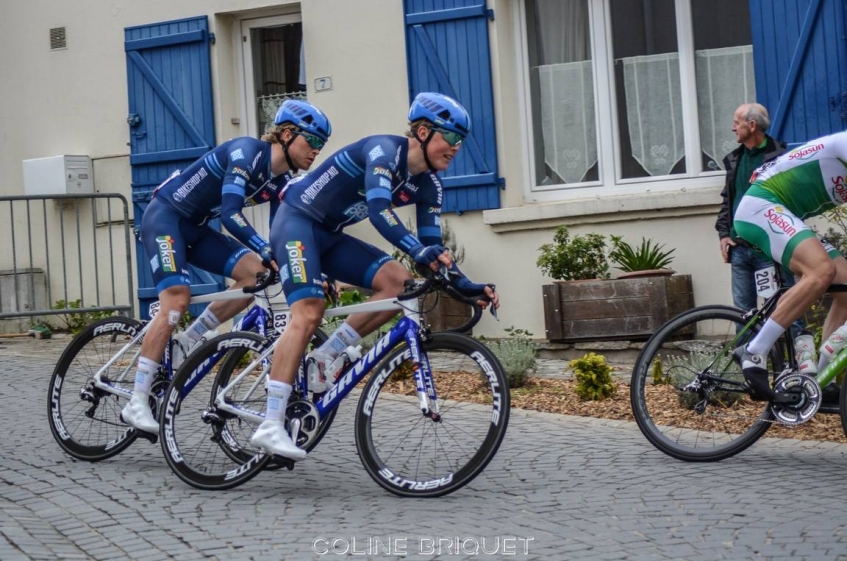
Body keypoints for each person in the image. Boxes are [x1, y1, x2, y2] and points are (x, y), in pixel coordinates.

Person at [250, 92, 499, 459]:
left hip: (329, 235)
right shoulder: (384, 152)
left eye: (461, 140)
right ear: (424, 132)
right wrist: (418, 250)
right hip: (296, 222)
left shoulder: (429, 185)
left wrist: (464, 285)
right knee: (308, 311)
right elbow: (381, 211)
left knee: (400, 282)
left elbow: (432, 249)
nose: (456, 147)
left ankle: (326, 355)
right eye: (451, 137)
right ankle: (271, 423)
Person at [121, 100, 332, 433]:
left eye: (323, 143)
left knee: (257, 275)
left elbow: (283, 235)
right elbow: (232, 215)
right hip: (166, 218)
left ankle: (189, 340)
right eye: (313, 140)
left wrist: (315, 271)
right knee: (176, 301)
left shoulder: (280, 181)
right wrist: (263, 248)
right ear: (287, 134)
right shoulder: (246, 153)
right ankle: (136, 400)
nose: (317, 150)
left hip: (196, 227)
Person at [732, 130, 847, 400]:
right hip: (761, 207)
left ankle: (820, 383)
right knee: (821, 270)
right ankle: (754, 351)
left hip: (782, 212)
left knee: (845, 288)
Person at [715, 103, 811, 370]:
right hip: (740, 250)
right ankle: (748, 374)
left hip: (770, 250)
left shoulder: (780, 157)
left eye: (737, 122)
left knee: (788, 309)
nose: (733, 127)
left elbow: (792, 200)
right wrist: (724, 234)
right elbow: (728, 200)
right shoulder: (735, 159)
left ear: (752, 125)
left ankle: (799, 371)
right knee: (743, 317)